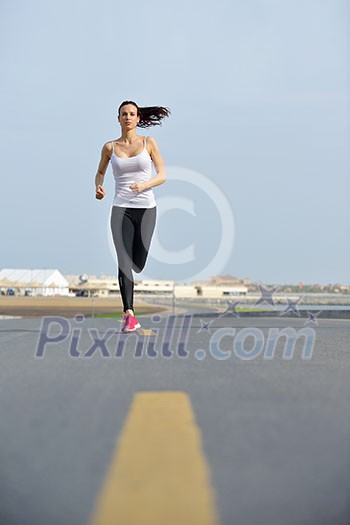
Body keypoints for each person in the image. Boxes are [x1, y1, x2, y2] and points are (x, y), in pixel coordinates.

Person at [95, 100, 170, 332]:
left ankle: (130, 305)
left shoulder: (149, 143)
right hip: (120, 209)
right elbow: (100, 172)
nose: (128, 117)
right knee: (124, 260)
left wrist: (145, 185)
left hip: (146, 208)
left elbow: (163, 175)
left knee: (139, 262)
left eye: (132, 114)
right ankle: (129, 313)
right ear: (118, 119)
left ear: (138, 119)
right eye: (124, 114)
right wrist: (98, 186)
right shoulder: (109, 147)